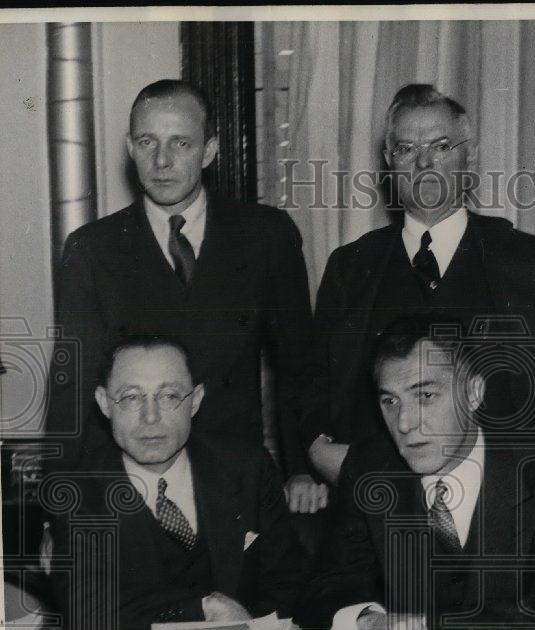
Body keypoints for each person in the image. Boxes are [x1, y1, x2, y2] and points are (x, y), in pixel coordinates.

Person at [45, 79, 325, 514]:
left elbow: (299, 366)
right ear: (130, 148)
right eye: (147, 141)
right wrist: (59, 510)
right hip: (132, 491)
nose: (161, 160)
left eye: (180, 143)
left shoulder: (265, 236)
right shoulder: (91, 249)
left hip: (238, 484)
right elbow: (72, 390)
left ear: (210, 150)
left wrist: (303, 468)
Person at [305, 84, 535, 489]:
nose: (424, 164)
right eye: (406, 150)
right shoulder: (351, 267)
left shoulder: (522, 258)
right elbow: (317, 393)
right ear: (388, 163)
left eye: (441, 146)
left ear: (471, 156)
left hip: (496, 500)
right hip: (375, 502)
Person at [297, 314, 535, 630]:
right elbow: (323, 589)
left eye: (426, 395)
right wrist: (369, 622)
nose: (405, 423)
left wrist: (427, 626)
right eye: (390, 402)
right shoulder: (370, 469)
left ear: (474, 393)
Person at [46, 336, 303, 630]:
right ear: (105, 404)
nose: (150, 417)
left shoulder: (247, 468)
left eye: (168, 396)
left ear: (194, 401)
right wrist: (201, 609)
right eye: (131, 397)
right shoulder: (78, 493)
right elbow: (85, 611)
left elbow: (287, 581)